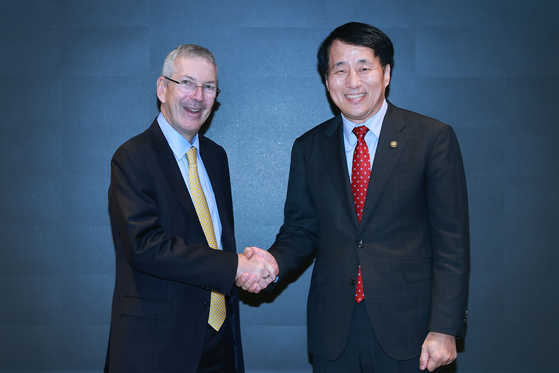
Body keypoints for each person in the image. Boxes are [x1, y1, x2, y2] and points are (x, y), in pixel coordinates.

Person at [241, 22, 470, 372]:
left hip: (412, 331)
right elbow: (302, 230)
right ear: (326, 79)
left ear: (386, 73)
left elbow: (451, 241)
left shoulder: (431, 138)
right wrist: (271, 264)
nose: (353, 82)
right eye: (340, 69)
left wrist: (444, 327)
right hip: (334, 330)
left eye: (364, 68)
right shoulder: (308, 147)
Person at [104, 44, 278, 373]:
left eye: (208, 86)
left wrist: (241, 267)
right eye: (187, 82)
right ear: (162, 88)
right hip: (157, 347)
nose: (197, 96)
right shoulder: (132, 157)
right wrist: (237, 266)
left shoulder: (216, 157)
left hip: (219, 344)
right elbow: (145, 247)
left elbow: (214, 240)